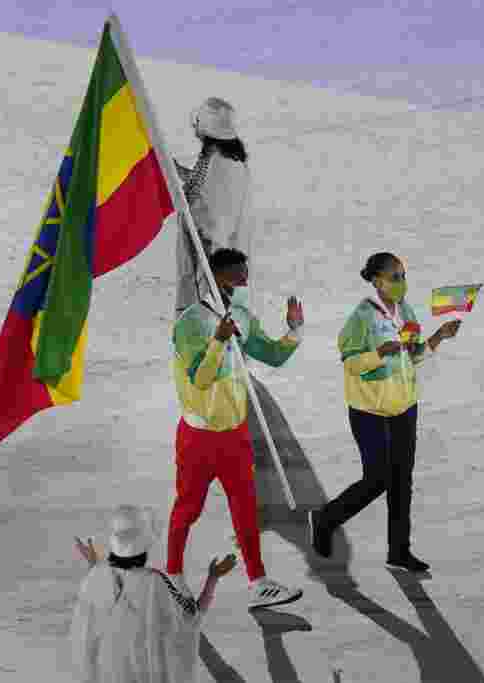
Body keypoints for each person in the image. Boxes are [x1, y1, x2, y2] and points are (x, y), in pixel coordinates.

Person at [168, 247, 304, 609]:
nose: (245, 284)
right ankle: (173, 572)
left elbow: (273, 354)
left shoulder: (240, 314)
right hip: (198, 436)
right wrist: (219, 339)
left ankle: (258, 582)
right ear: (214, 280)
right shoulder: (190, 325)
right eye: (237, 278)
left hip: (235, 433)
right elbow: (200, 378)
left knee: (246, 507)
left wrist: (294, 329)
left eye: (246, 276)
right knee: (188, 507)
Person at [308, 252, 462, 573]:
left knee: (402, 480)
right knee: (377, 479)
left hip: (405, 407)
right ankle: (325, 518)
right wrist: (378, 353)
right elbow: (350, 363)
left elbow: (414, 355)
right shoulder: (361, 318)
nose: (401, 283)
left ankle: (399, 552)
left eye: (404, 275)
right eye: (395, 277)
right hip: (370, 413)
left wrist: (438, 337)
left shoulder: (405, 311)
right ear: (377, 281)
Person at [70, 504, 238, 683]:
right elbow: (193, 617)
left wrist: (95, 566)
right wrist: (213, 578)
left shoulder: (97, 581)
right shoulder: (155, 583)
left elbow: (91, 636)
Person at [175, 96, 256, 318]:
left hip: (213, 253)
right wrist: (178, 173)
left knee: (210, 311)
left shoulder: (222, 163)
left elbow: (212, 212)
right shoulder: (225, 158)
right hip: (218, 250)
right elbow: (204, 188)